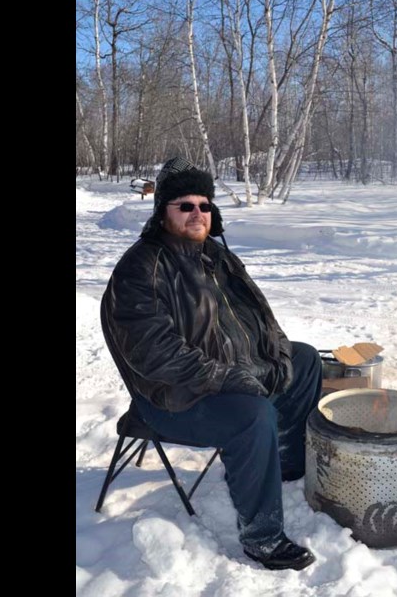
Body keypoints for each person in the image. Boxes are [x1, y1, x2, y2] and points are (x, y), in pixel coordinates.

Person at [100, 157, 321, 571]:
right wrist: (230, 377)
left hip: (225, 375)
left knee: (305, 359)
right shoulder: (141, 269)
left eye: (204, 205)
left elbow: (260, 313)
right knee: (251, 414)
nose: (197, 214)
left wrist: (277, 352)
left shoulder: (216, 256)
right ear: (162, 211)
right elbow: (155, 354)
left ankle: (285, 465)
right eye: (184, 205)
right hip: (173, 398)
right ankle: (263, 538)